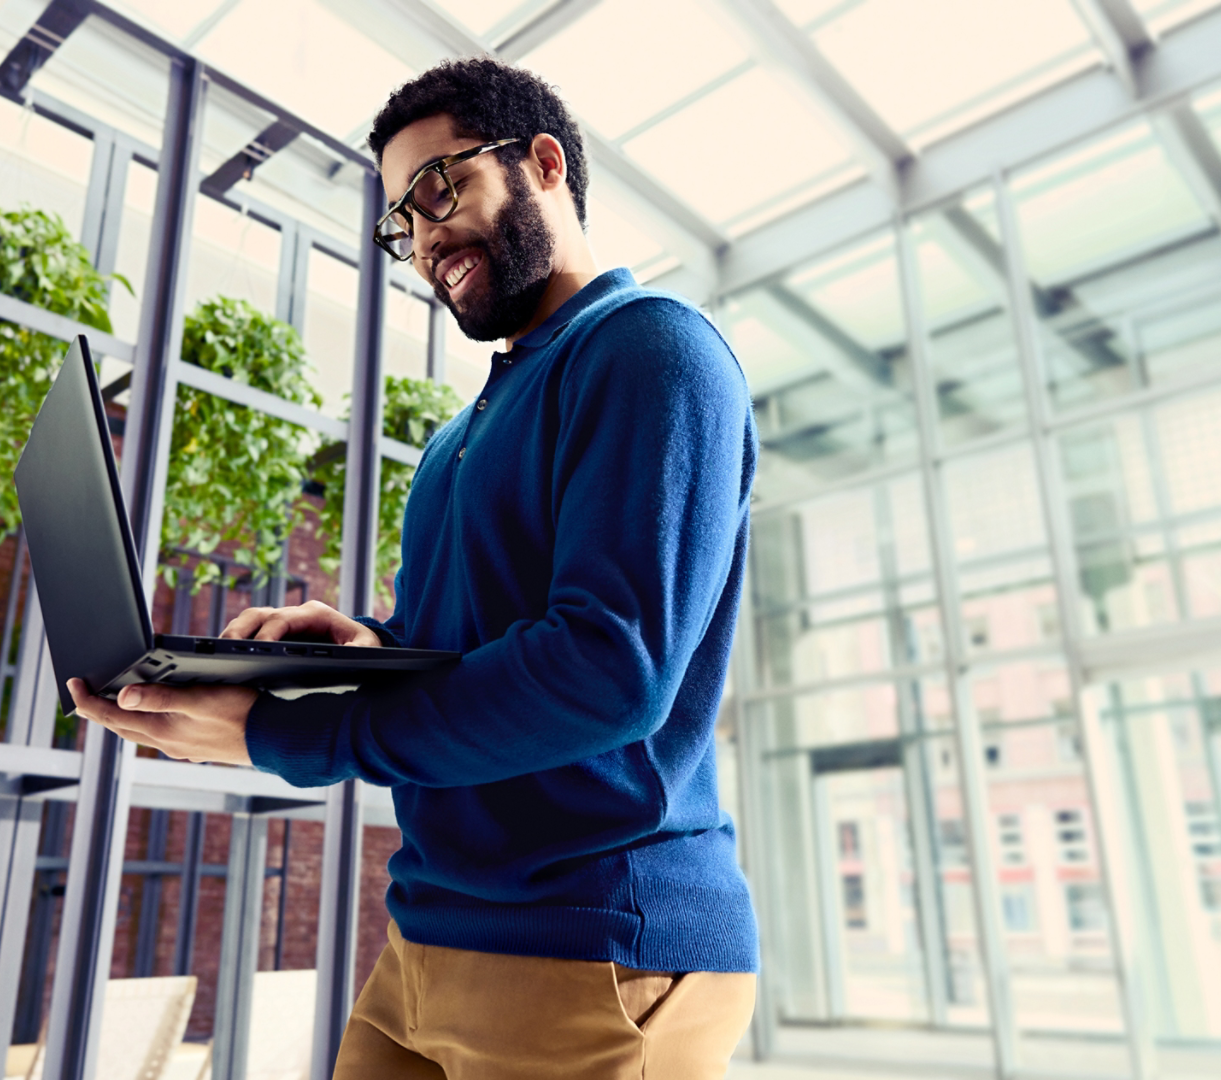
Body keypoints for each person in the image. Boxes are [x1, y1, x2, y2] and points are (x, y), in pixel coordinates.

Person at [70, 57, 759, 1080]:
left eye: (441, 186)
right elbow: (469, 646)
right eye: (402, 220)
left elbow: (606, 670)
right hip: (426, 934)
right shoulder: (455, 440)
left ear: (543, 163)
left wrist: (289, 731)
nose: (424, 235)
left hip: (595, 941)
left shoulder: (652, 349)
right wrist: (360, 650)